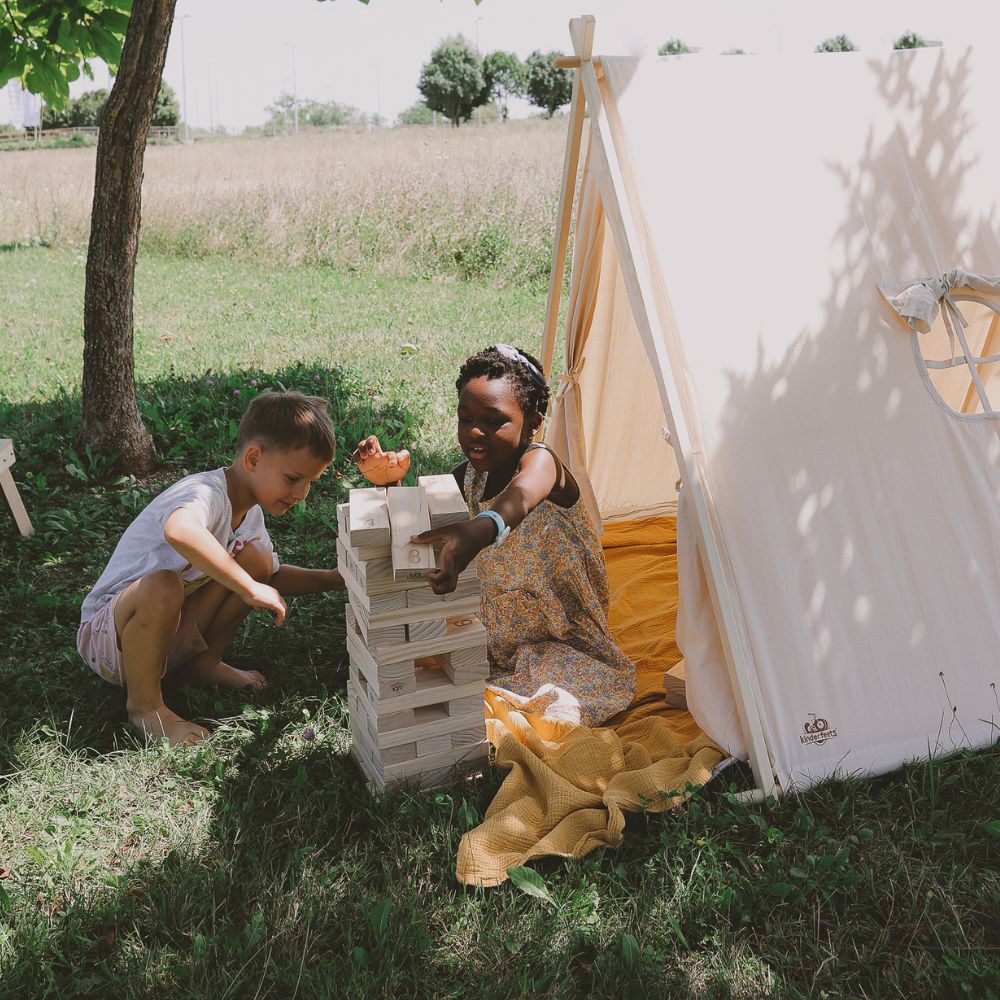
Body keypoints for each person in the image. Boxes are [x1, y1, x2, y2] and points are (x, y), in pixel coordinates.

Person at [354, 345, 635, 726]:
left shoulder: (543, 464)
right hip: (499, 640)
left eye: (493, 420)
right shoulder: (467, 477)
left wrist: (480, 530)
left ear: (534, 421)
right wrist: (390, 483)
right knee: (447, 680)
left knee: (553, 711)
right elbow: (419, 529)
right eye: (465, 417)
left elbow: (520, 496)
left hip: (565, 640)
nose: (474, 430)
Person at [77, 391, 346, 746]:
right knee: (165, 584)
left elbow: (271, 575)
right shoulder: (205, 493)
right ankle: (146, 708)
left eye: (310, 482)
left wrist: (337, 579)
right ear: (253, 458)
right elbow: (180, 530)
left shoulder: (250, 514)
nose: (302, 493)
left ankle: (203, 663)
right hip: (112, 639)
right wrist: (249, 588)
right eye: (294, 478)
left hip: (166, 635)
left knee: (258, 560)